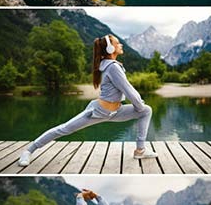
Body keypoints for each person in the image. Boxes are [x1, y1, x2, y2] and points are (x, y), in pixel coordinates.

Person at [18, 31, 152, 167]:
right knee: (64, 129)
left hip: (116, 111)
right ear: (110, 48)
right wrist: (139, 106)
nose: (121, 44)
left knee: (146, 111)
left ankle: (140, 150)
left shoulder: (111, 65)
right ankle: (28, 151)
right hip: (97, 112)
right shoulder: (113, 67)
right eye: (118, 43)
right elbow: (128, 90)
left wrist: (140, 107)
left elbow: (128, 91)